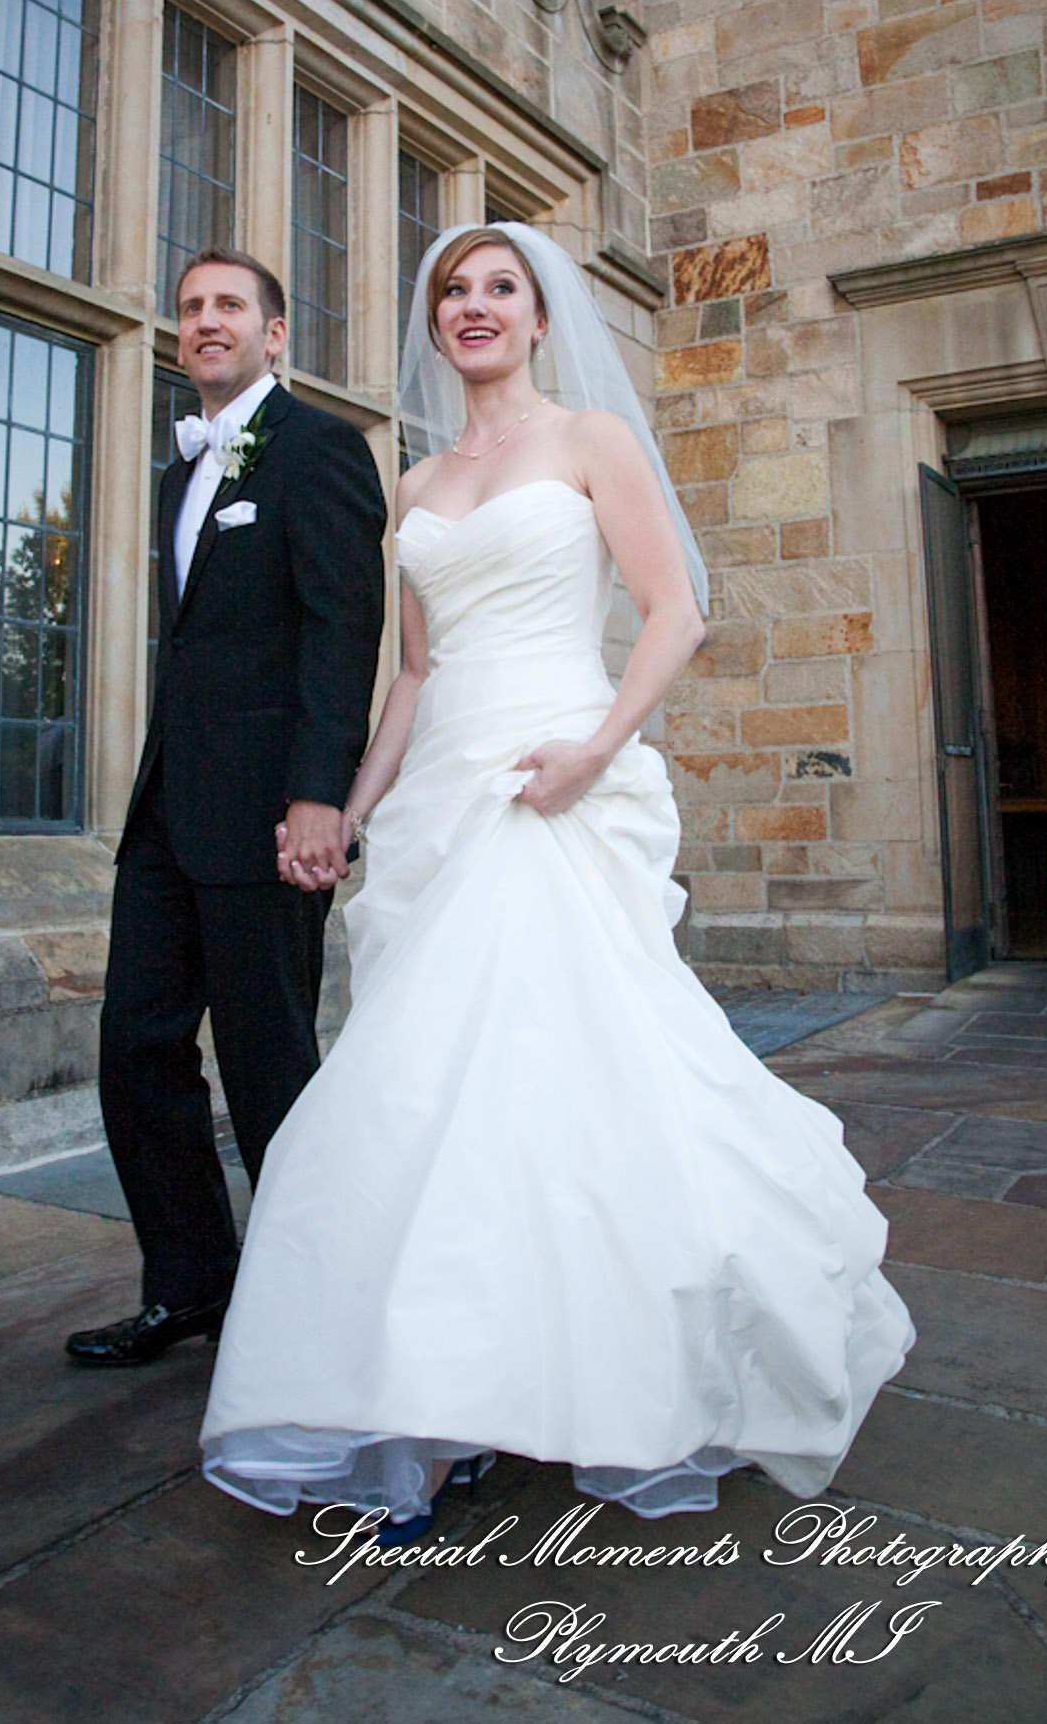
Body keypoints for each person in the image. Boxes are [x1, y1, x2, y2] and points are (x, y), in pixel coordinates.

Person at [198, 224, 913, 1525]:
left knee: (563, 1072)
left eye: (498, 288)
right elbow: (415, 670)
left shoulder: (591, 441)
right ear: (437, 326)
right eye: (451, 292)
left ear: (538, 317)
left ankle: (600, 1365)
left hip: (556, 776)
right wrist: (354, 808)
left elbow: (676, 606)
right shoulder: (412, 487)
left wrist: (593, 748)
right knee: (431, 1088)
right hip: (444, 799)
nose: (473, 306)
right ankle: (445, 1393)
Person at [66, 248, 387, 1367]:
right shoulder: (177, 473)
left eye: (229, 306)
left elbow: (344, 633)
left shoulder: (321, 452)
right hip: (167, 808)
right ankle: (193, 1281)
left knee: (268, 1062)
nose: (205, 322)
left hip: (269, 815)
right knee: (136, 1045)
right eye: (190, 305)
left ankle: (315, 1309)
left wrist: (319, 797)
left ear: (275, 331)